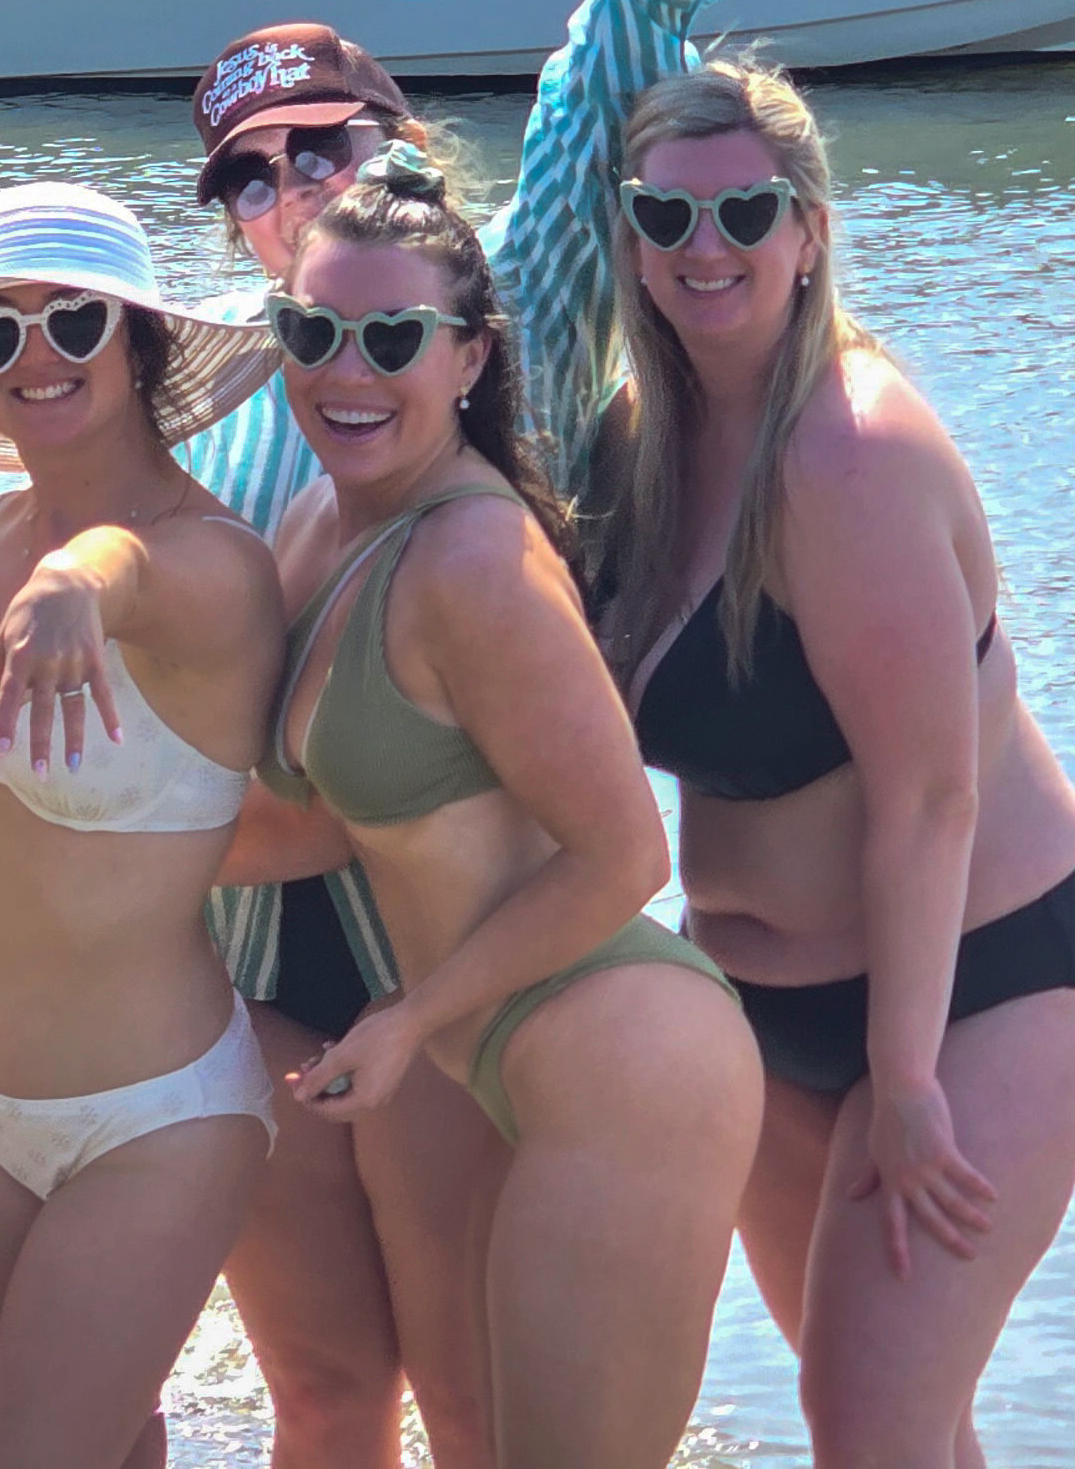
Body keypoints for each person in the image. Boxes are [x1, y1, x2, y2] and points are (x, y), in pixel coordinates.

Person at [174, 0, 895, 1468]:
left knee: (501, 1409)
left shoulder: (504, 316)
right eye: (245, 176)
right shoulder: (206, 411)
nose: (285, 188)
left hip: (498, 955)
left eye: (324, 147)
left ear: (403, 157)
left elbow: (613, 47)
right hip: (281, 965)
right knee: (331, 1396)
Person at [583, 65, 1075, 1467]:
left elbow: (930, 793)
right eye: (669, 214)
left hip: (979, 979)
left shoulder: (852, 450)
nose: (707, 246)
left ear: (808, 229)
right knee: (905, 1425)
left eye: (745, 211)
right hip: (760, 1004)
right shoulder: (638, 442)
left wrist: (904, 1075)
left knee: (867, 1428)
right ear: (631, 233)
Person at [244, 161, 759, 1469]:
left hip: (619, 1056)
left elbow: (625, 852)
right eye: (312, 331)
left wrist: (411, 1011)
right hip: (467, 1048)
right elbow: (323, 820)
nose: (344, 369)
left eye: (392, 338)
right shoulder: (323, 519)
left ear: (469, 354)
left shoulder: (471, 555)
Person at [0, 184, 289, 1469]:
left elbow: (128, 573)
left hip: (152, 1115)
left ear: (141, 347)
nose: (37, 356)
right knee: (109, 1447)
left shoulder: (212, 565)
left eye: (77, 321)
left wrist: (81, 579)